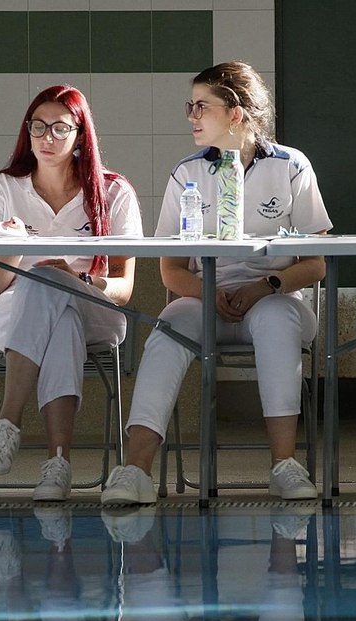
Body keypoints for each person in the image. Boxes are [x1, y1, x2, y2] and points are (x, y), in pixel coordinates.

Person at [100, 61, 331, 506]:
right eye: (191, 106)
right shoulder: (187, 173)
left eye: (201, 106)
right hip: (203, 299)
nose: (192, 116)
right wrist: (212, 295)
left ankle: (284, 465)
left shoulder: (291, 166)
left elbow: (316, 263)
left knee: (277, 321)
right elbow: (171, 271)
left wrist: (263, 287)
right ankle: (135, 471)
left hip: (275, 296)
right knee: (167, 331)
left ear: (236, 113)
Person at [0, 85, 143, 502]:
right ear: (27, 132)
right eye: (38, 127)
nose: (47, 137)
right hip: (10, 312)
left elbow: (123, 289)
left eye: (60, 128)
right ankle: (58, 464)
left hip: (95, 310)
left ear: (81, 135)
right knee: (54, 309)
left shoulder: (113, 192)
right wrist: (15, 248)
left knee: (53, 286)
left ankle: (8, 422)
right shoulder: (0, 189)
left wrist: (77, 279)